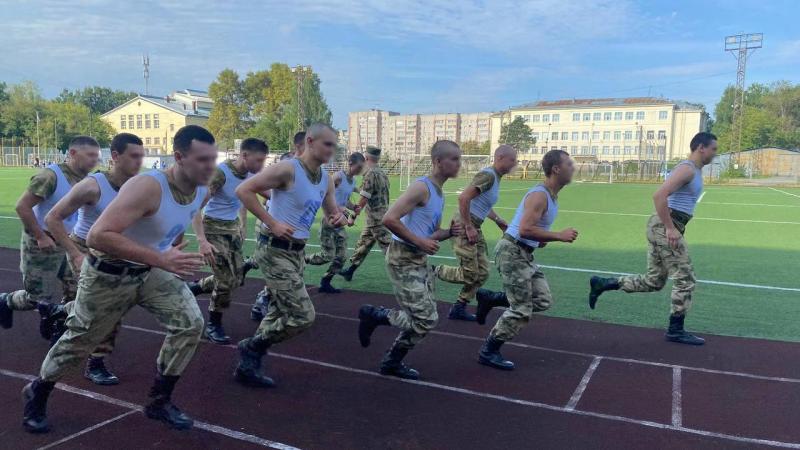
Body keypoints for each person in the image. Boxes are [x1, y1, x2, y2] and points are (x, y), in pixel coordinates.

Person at [21, 125, 215, 433]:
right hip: (107, 275)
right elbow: (98, 236)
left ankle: (159, 400)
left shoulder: (204, 188)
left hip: (150, 272)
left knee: (191, 324)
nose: (210, 166)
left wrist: (172, 245)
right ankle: (38, 391)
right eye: (203, 159)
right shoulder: (147, 186)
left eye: (213, 159)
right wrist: (161, 258)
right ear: (179, 157)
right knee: (78, 343)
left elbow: (183, 214)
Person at [233, 123, 347, 388]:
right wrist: (271, 222)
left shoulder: (325, 178)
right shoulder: (288, 169)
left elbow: (331, 212)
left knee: (277, 310)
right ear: (310, 141)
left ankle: (247, 366)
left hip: (297, 253)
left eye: (335, 145)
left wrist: (339, 217)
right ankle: (251, 347)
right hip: (274, 249)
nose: (332, 150)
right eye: (327, 144)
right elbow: (244, 191)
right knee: (303, 316)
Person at [588, 132, 718, 346]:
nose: (715, 153)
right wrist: (670, 228)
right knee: (686, 279)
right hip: (665, 226)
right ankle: (675, 330)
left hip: (667, 226)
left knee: (654, 281)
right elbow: (659, 195)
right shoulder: (686, 169)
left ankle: (604, 284)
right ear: (701, 147)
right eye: (713, 149)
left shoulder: (693, 170)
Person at [42, 133, 145, 385]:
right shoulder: (92, 186)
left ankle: (61, 311)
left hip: (118, 253)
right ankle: (95, 362)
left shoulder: (142, 185)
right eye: (134, 156)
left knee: (97, 307)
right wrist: (74, 254)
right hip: (86, 250)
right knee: (106, 309)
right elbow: (52, 218)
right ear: (115, 156)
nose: (139, 162)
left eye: (142, 156)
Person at [357, 140, 463, 380]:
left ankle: (391, 361)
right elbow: (389, 219)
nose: (459, 164)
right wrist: (420, 242)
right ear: (438, 161)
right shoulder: (421, 188)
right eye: (454, 159)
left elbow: (430, 232)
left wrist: (448, 233)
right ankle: (375, 316)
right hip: (402, 257)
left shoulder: (439, 193)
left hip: (418, 258)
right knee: (427, 318)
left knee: (425, 318)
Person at [474, 149, 578, 371]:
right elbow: (525, 229)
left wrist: (540, 240)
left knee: (542, 300)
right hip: (512, 252)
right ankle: (489, 350)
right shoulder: (539, 195)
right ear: (556, 169)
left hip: (524, 253)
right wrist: (558, 235)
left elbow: (532, 230)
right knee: (521, 308)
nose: (573, 167)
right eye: (569, 164)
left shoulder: (552, 196)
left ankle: (492, 299)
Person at [0, 136, 99, 333]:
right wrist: (40, 236)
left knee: (76, 290)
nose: (94, 160)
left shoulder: (88, 180)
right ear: (72, 153)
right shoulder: (50, 176)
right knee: (36, 298)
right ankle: (6, 301)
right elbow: (22, 207)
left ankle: (58, 324)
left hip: (69, 242)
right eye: (90, 155)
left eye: (96, 156)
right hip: (42, 244)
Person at [187, 138, 268, 344]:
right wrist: (202, 240)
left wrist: (242, 224)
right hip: (213, 228)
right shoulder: (221, 174)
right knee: (225, 280)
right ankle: (214, 324)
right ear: (244, 155)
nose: (261, 166)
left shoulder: (251, 173)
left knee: (237, 278)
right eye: (258, 160)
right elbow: (196, 206)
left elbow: (256, 195)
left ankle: (196, 288)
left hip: (231, 228)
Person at [434, 145, 517, 321]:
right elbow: (464, 198)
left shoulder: (495, 177)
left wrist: (498, 220)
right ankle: (432, 271)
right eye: (513, 160)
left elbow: (482, 204)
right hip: (464, 226)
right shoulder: (488, 175)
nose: (515, 163)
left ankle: (459, 307)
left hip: (473, 226)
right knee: (471, 274)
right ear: (500, 157)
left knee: (483, 272)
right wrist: (469, 226)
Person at [246, 150, 296, 321]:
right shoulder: (276, 178)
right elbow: (251, 191)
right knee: (279, 271)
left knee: (288, 273)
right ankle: (265, 303)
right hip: (270, 230)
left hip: (283, 232)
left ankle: (262, 301)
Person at [305, 152, 365, 293]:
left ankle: (326, 281)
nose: (361, 170)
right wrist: (340, 208)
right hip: (329, 220)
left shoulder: (353, 182)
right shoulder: (338, 177)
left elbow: (345, 201)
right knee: (328, 255)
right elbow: (324, 196)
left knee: (342, 256)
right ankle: (303, 259)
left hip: (340, 222)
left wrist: (352, 207)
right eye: (359, 167)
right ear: (350, 163)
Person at [338, 146, 391, 281]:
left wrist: (353, 216)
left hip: (377, 220)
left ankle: (407, 275)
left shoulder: (370, 174)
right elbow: (365, 191)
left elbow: (363, 198)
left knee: (390, 250)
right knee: (362, 245)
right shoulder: (382, 172)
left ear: (366, 158)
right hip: (377, 218)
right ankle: (350, 271)